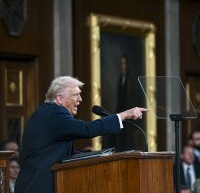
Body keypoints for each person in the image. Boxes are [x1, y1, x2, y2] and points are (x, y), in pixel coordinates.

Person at [14, 76, 148, 193]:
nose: (80, 99)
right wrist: (124, 115)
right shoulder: (55, 113)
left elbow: (54, 151)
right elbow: (87, 129)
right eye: (76, 95)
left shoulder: (47, 112)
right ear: (60, 99)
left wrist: (96, 155)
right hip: (37, 185)